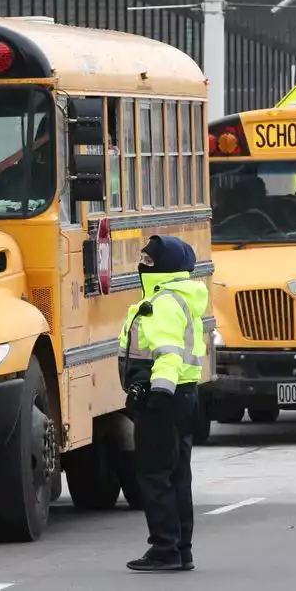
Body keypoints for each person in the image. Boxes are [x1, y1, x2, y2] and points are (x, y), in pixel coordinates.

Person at [118, 235, 207, 572]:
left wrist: (158, 394)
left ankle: (164, 549)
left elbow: (168, 354)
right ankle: (181, 549)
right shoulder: (179, 297)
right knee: (178, 477)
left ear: (166, 266)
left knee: (156, 477)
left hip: (165, 399)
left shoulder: (163, 303)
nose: (142, 266)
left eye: (150, 261)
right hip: (184, 397)